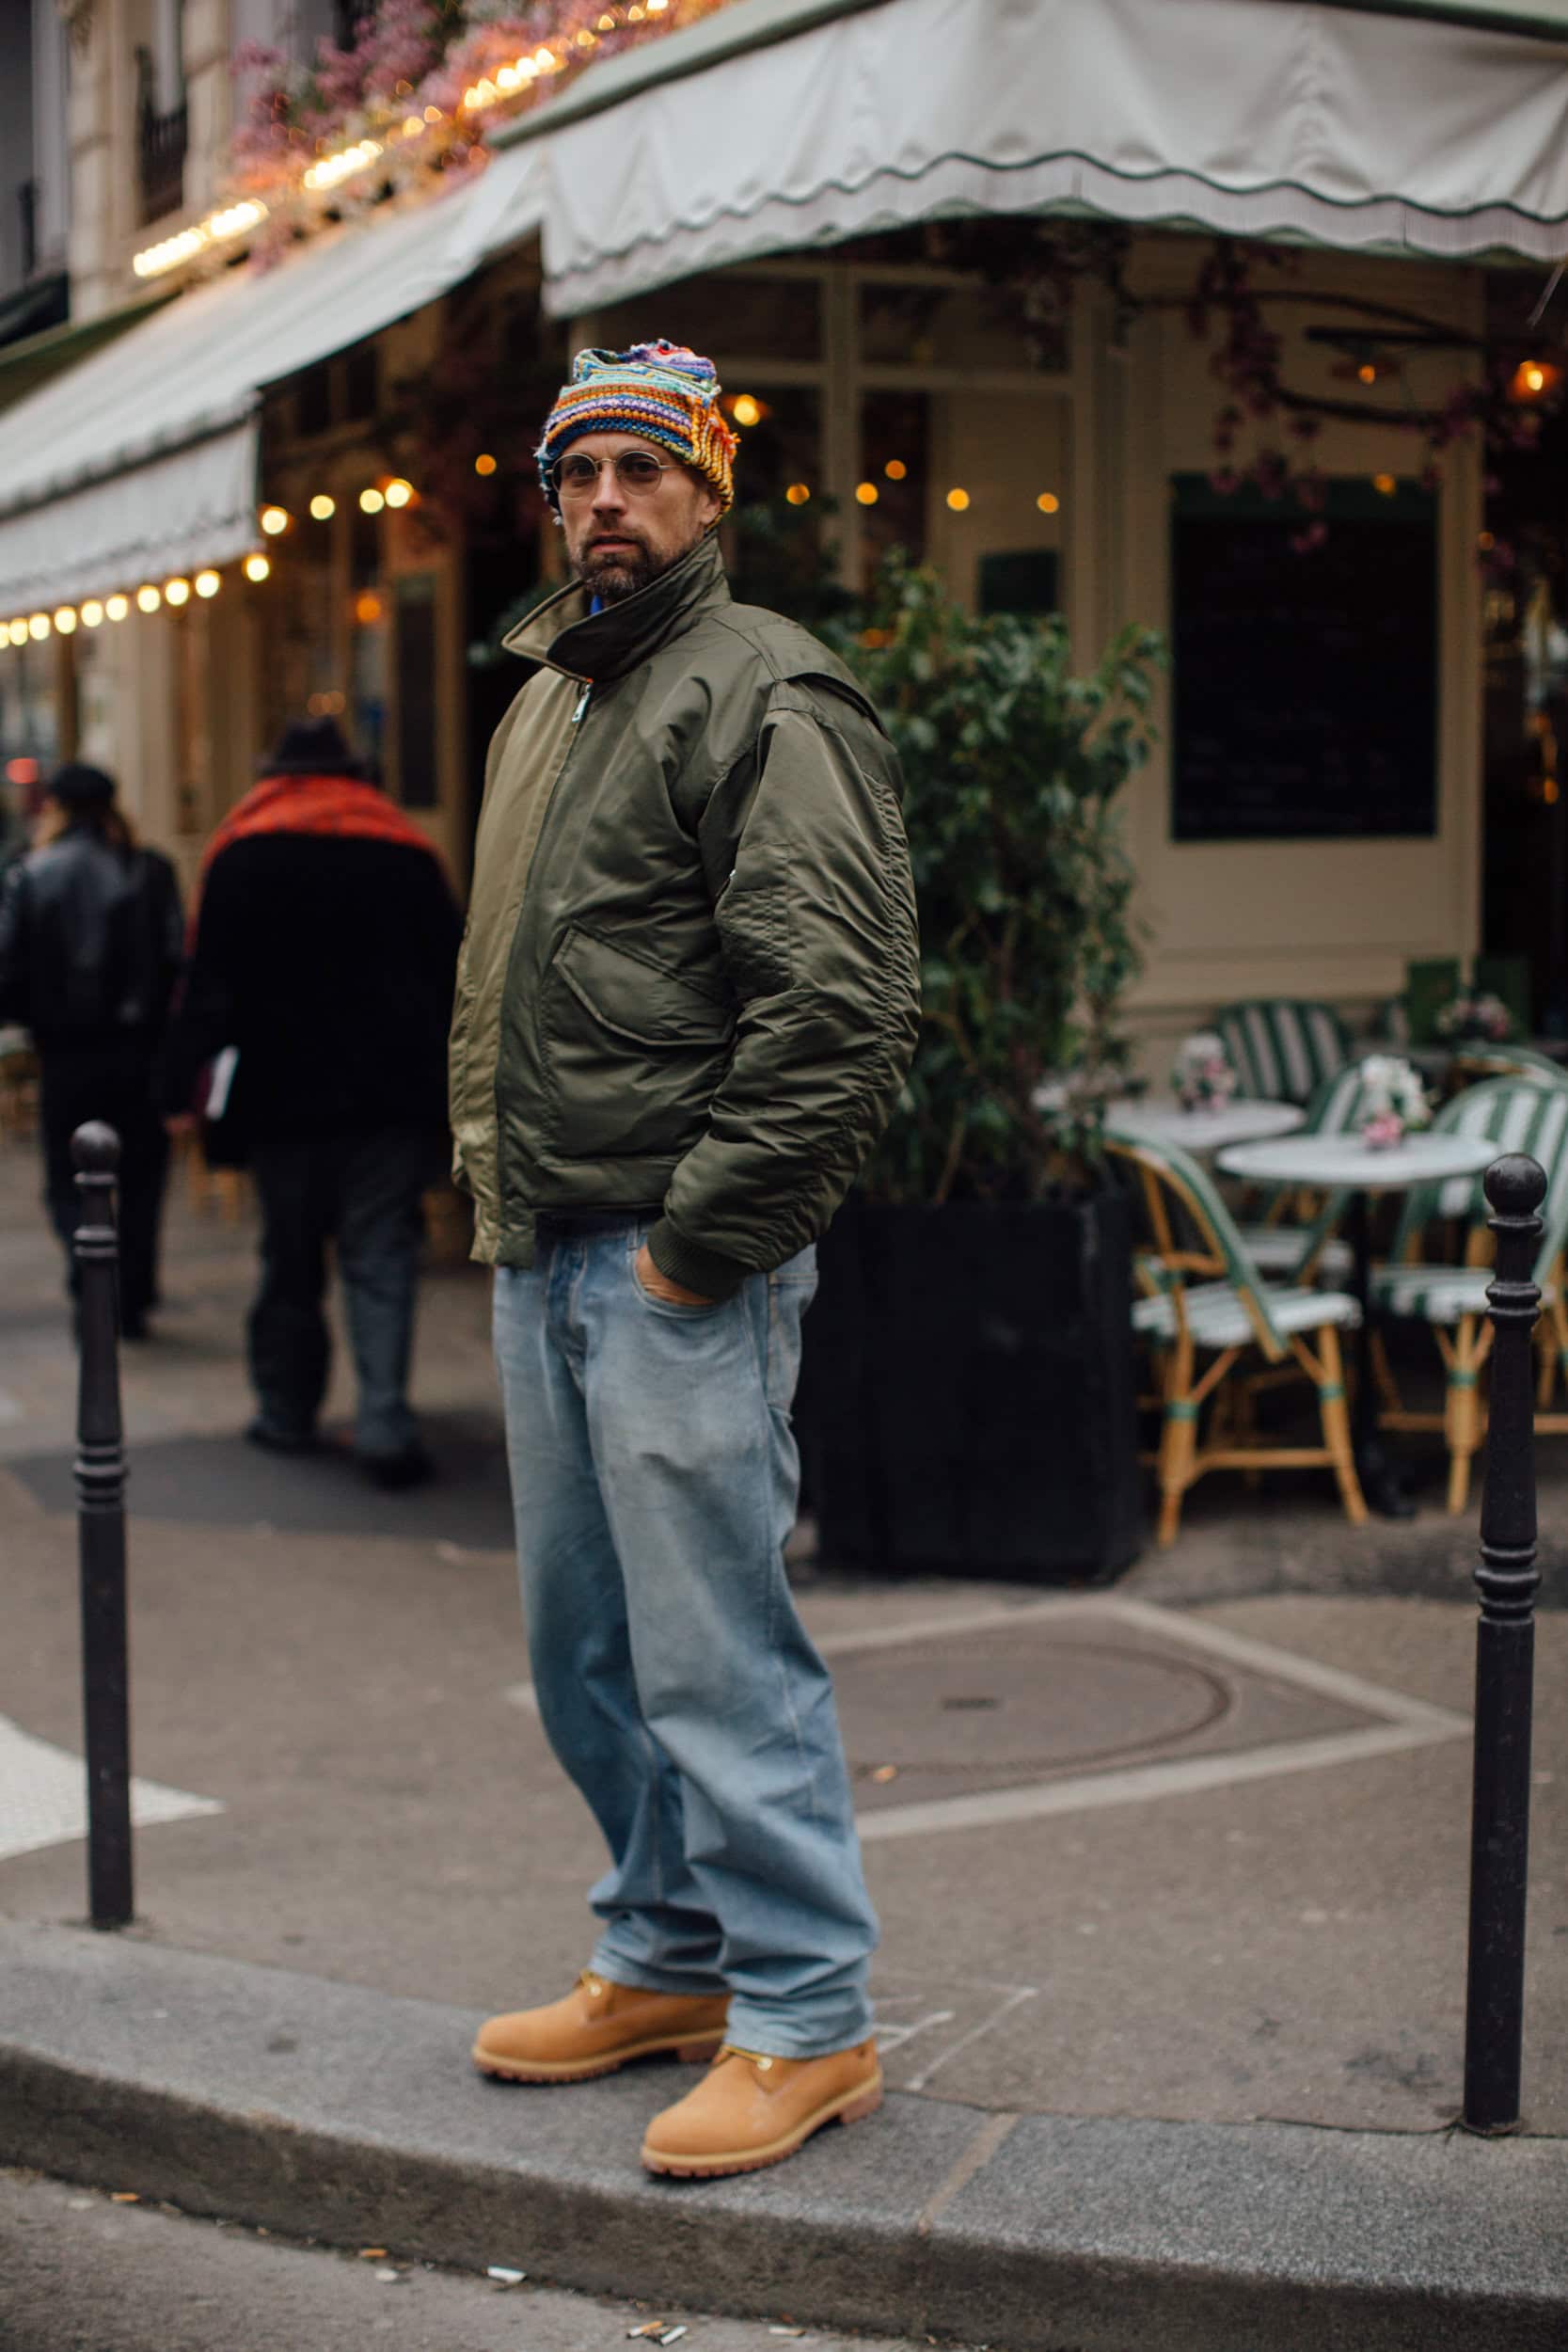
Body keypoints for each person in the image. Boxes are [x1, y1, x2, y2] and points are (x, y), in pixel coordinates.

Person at [450, 341, 921, 2178]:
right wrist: (499, 1206)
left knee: (716, 1654)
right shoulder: (545, 701)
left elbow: (838, 1006)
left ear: (708, 488)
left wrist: (698, 1248)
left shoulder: (761, 684)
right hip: (541, 1248)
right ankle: (665, 1955)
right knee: (582, 1652)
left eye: (642, 469)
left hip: (669, 1262)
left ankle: (804, 2013)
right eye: (577, 473)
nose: (604, 500)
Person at [159, 715, 462, 1488]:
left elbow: (208, 987)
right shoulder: (405, 851)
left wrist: (176, 1086)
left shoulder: (243, 851)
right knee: (382, 1257)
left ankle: (286, 1413)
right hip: (392, 1098)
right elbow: (454, 979)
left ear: (274, 777)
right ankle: (385, 1423)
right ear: (357, 776)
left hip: (282, 1097)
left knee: (289, 1261)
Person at [0, 761, 182, 1336]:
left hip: (67, 1055)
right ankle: (131, 1292)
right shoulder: (150, 870)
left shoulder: (32, 873)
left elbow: (8, 972)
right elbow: (175, 963)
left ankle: (93, 1284)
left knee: (68, 1179)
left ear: (55, 808)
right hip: (140, 1053)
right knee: (141, 1178)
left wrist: (37, 1020)